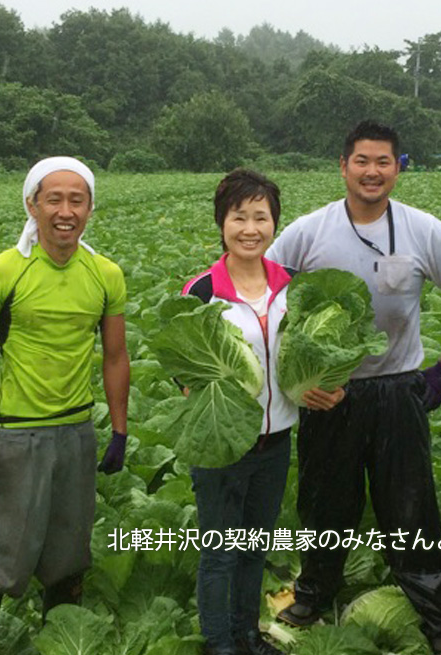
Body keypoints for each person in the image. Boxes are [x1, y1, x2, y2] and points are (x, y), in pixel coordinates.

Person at [268, 120, 441, 655]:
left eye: (383, 161)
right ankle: (314, 592)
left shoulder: (422, 230)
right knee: (324, 502)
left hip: (396, 390)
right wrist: (293, 378)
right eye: (361, 161)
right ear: (343, 167)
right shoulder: (308, 231)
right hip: (328, 394)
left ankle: (436, 614)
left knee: (411, 506)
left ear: (398, 168)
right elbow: (263, 301)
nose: (372, 171)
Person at [0, 157, 130, 655]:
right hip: (15, 435)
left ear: (91, 208)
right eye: (54, 198)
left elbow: (116, 356)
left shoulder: (104, 274)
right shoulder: (2, 271)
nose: (65, 211)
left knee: (69, 558)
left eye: (77, 200)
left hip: (76, 433)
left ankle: (60, 644)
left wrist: (118, 431)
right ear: (32, 205)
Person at [182, 169, 344, 655]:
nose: (250, 228)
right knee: (220, 552)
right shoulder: (203, 291)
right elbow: (183, 366)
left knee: (254, 547)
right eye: (239, 217)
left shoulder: (294, 288)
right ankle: (218, 643)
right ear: (222, 223)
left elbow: (323, 349)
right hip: (221, 444)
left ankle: (247, 634)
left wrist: (329, 387)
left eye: (261, 217)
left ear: (275, 223)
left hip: (277, 440)